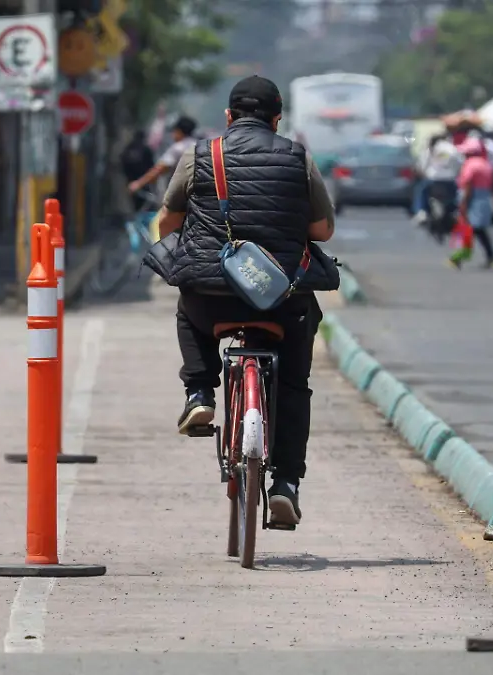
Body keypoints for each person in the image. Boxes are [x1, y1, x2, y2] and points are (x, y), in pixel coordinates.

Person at [152, 75, 339, 526]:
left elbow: (166, 223)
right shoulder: (299, 158)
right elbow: (323, 231)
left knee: (187, 309)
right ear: (278, 119)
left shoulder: (200, 155)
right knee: (294, 386)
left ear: (228, 117)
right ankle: (287, 485)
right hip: (282, 301)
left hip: (211, 297)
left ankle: (200, 393)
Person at [449, 137, 493, 269]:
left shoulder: (470, 165)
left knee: (467, 229)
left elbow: (468, 186)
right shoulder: (486, 164)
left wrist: (464, 204)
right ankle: (489, 256)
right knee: (478, 230)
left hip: (472, 199)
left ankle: (459, 256)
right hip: (484, 198)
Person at [129, 116, 198, 196]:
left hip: (183, 194)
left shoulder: (178, 148)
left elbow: (159, 169)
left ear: (179, 131)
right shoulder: (198, 145)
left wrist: (138, 184)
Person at [411, 132, 464, 229]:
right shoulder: (452, 148)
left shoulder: (429, 149)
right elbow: (460, 163)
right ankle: (456, 212)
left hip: (433, 178)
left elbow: (422, 166)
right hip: (449, 179)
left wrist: (424, 174)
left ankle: (421, 211)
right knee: (456, 194)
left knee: (421, 190)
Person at [120, 130, 157, 211]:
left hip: (130, 182)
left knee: (135, 205)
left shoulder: (128, 149)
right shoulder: (145, 149)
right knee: (147, 205)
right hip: (145, 181)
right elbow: (152, 166)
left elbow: (123, 163)